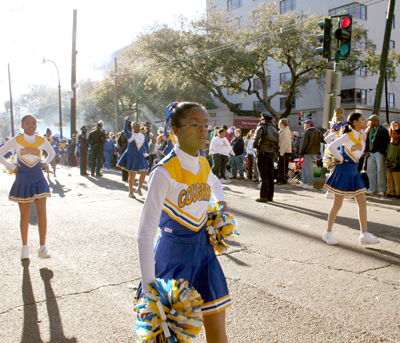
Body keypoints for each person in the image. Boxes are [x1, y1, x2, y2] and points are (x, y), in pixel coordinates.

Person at [136, 102, 230, 343]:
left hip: (204, 254)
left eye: (205, 125)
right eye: (195, 124)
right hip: (173, 257)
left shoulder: (203, 163)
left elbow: (215, 182)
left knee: (217, 328)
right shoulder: (164, 171)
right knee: (171, 337)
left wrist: (220, 203)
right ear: (175, 130)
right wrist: (150, 289)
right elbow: (145, 233)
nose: (203, 130)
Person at [0, 114, 56, 259]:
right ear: (22, 125)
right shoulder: (15, 141)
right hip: (22, 178)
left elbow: (52, 153)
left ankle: (42, 247)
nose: (31, 126)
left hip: (38, 178)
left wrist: (45, 163)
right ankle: (25, 247)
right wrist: (11, 166)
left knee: (42, 213)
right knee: (24, 215)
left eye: (33, 123)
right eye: (28, 123)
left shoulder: (41, 140)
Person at [323, 112, 380, 246]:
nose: (364, 121)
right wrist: (341, 158)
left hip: (354, 171)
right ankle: (328, 233)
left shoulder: (362, 135)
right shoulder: (347, 135)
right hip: (343, 171)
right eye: (362, 119)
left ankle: (364, 234)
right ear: (354, 122)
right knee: (337, 205)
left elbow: (360, 151)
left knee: (362, 202)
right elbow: (331, 146)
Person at [117, 117, 149, 198]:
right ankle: (130, 191)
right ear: (133, 127)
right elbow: (125, 130)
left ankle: (139, 188)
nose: (138, 127)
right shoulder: (130, 134)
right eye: (136, 126)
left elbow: (145, 145)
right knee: (132, 174)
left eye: (139, 126)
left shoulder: (142, 135)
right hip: (132, 155)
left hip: (140, 155)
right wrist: (126, 121)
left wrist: (147, 153)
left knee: (143, 172)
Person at [253, 112, 279, 203]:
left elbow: (255, 140)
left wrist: (256, 146)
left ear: (263, 120)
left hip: (263, 152)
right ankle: (270, 196)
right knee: (270, 175)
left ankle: (263, 196)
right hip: (271, 153)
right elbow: (277, 144)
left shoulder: (261, 128)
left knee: (263, 174)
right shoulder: (275, 130)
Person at [365, 114, 390, 196]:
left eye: (371, 121)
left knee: (380, 171)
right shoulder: (370, 130)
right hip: (371, 152)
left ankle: (381, 189)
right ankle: (372, 188)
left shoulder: (383, 130)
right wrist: (367, 151)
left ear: (376, 121)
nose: (370, 122)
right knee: (370, 171)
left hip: (379, 153)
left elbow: (386, 141)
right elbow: (367, 141)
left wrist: (381, 151)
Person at [298, 119, 323, 190]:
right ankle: (304, 182)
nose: (304, 125)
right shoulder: (318, 132)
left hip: (307, 152)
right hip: (314, 152)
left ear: (309, 124)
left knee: (307, 168)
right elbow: (322, 140)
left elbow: (303, 144)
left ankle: (309, 183)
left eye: (305, 124)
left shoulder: (307, 133)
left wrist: (300, 153)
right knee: (306, 167)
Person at [385, 128, 400, 198]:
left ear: (398, 135)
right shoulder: (390, 144)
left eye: (394, 133)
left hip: (397, 165)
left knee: (397, 180)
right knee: (389, 179)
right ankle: (391, 192)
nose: (392, 135)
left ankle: (398, 193)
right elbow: (387, 152)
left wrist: (397, 162)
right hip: (389, 164)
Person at [277, 118, 292, 185]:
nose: (278, 125)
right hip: (283, 151)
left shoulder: (286, 131)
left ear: (283, 124)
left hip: (285, 151)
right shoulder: (283, 131)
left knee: (283, 166)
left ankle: (283, 179)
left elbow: (284, 143)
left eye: (279, 123)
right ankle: (280, 178)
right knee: (280, 166)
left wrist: (282, 152)